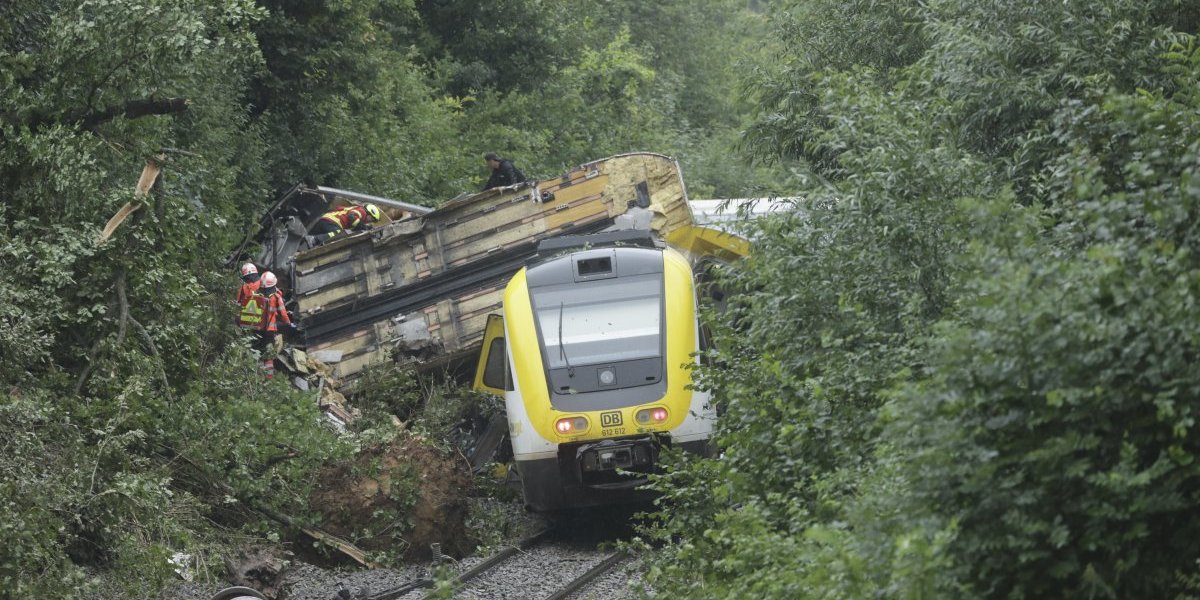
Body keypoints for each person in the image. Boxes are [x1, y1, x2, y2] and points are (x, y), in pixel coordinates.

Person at [256, 271, 297, 355]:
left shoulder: (257, 296)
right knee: (269, 349)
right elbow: (283, 315)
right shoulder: (276, 297)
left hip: (256, 327)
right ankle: (268, 366)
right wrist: (289, 324)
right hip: (269, 328)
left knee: (258, 346)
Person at [307, 203, 383, 246]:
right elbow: (351, 217)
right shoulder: (362, 212)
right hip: (332, 222)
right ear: (369, 214)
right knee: (339, 234)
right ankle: (315, 239)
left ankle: (312, 239)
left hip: (325, 220)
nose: (370, 221)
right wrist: (364, 227)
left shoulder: (357, 208)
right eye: (372, 219)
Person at [236, 263, 264, 330]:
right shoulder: (264, 283)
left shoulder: (244, 287)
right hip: (262, 322)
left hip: (247, 322)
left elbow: (238, 303)